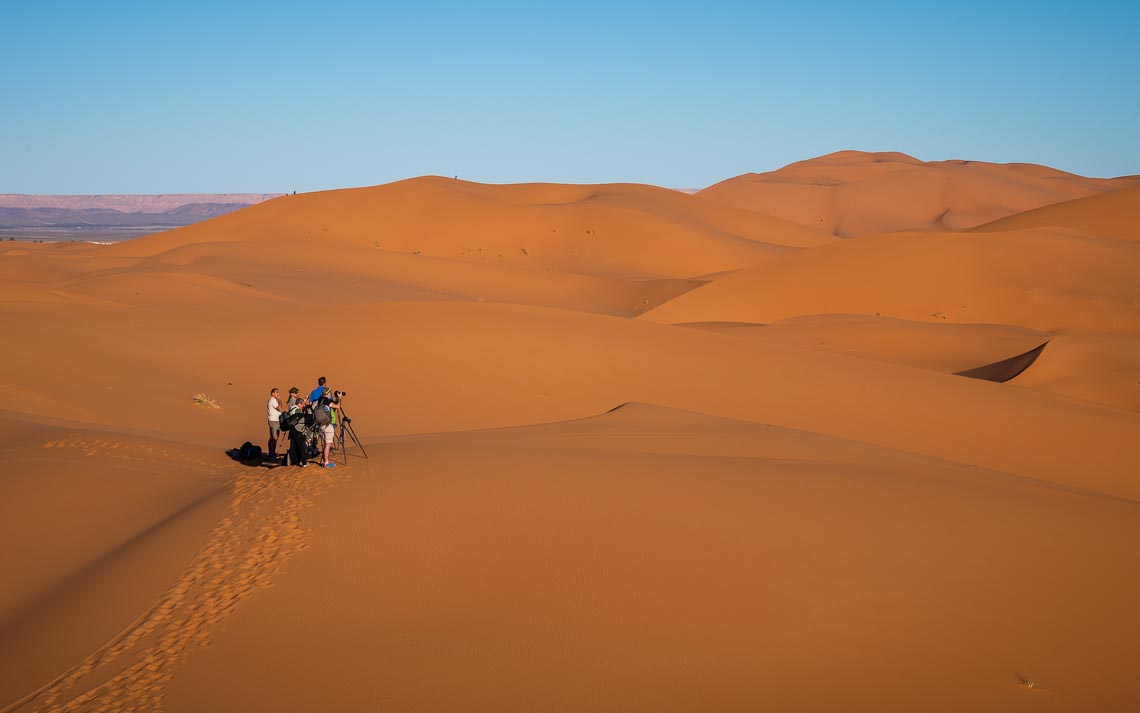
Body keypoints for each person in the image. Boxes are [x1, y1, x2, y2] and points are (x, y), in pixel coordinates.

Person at [284, 398, 309, 468]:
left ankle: (291, 461)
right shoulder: (297, 410)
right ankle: (304, 463)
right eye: (302, 405)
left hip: (292, 430)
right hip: (298, 430)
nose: (303, 406)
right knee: (302, 446)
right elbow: (302, 420)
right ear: (299, 404)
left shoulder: (292, 408)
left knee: (293, 447)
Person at [266, 387, 282, 459]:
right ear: (272, 393)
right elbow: (279, 408)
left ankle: (272, 452)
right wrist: (279, 400)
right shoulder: (273, 401)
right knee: (274, 438)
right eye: (276, 392)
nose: (278, 394)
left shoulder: (274, 400)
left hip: (275, 420)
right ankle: (271, 454)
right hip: (273, 421)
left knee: (273, 437)